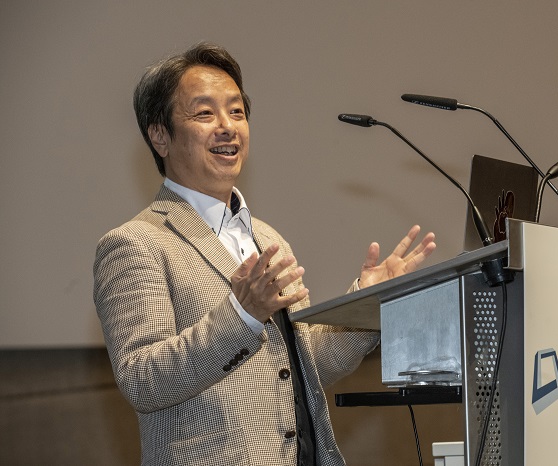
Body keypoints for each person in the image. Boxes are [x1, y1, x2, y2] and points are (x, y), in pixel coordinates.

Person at [93, 42, 436, 466]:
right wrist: (241, 315)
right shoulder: (136, 243)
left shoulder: (267, 237)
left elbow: (308, 367)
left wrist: (367, 303)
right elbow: (143, 381)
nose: (227, 127)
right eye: (205, 113)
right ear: (160, 135)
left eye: (237, 112)